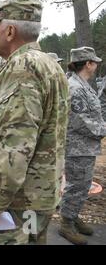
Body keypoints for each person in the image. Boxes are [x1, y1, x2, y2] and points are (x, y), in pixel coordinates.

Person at [0, 0, 69, 245]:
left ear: (9, 31)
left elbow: (17, 144)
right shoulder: (51, 65)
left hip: (16, 203)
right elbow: (55, 131)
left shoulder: (22, 68)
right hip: (39, 195)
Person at [58, 47, 106, 245]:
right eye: (94, 62)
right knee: (76, 186)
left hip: (84, 147)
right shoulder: (76, 88)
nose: (96, 65)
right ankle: (66, 224)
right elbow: (82, 121)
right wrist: (103, 129)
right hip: (77, 148)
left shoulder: (82, 85)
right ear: (88, 64)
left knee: (82, 184)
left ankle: (73, 216)